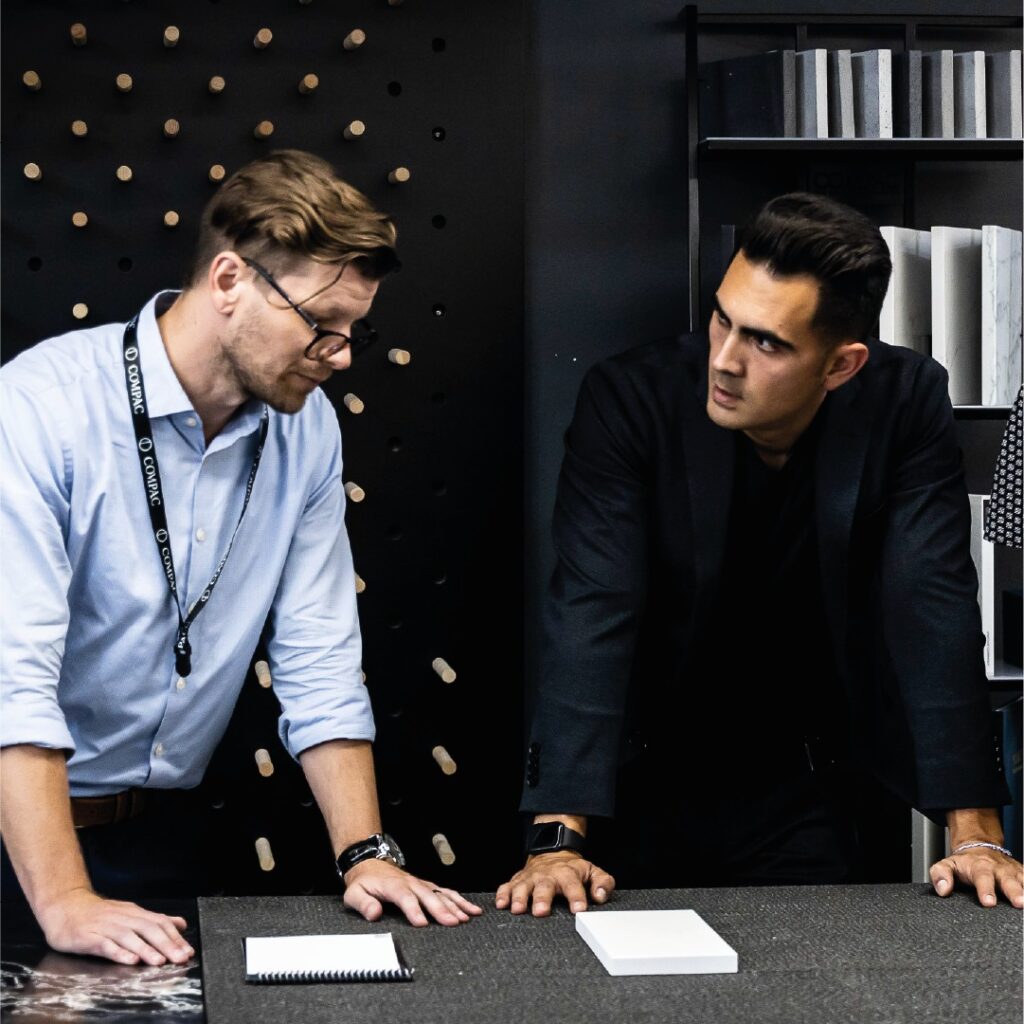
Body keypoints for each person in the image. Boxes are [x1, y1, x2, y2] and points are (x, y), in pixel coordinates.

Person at [1, 149, 481, 968]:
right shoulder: (40, 407)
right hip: (24, 848)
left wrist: (364, 854)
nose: (341, 354)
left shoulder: (307, 429)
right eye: (321, 323)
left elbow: (319, 656)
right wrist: (66, 900)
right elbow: (14, 676)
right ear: (229, 280)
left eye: (355, 330)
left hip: (164, 839)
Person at [497, 192, 1023, 916]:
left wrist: (977, 833)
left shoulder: (904, 401)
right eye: (722, 319)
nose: (723, 361)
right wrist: (558, 836)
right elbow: (594, 608)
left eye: (766, 343)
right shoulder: (631, 399)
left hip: (817, 783)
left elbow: (931, 602)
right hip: (643, 775)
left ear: (841, 365)